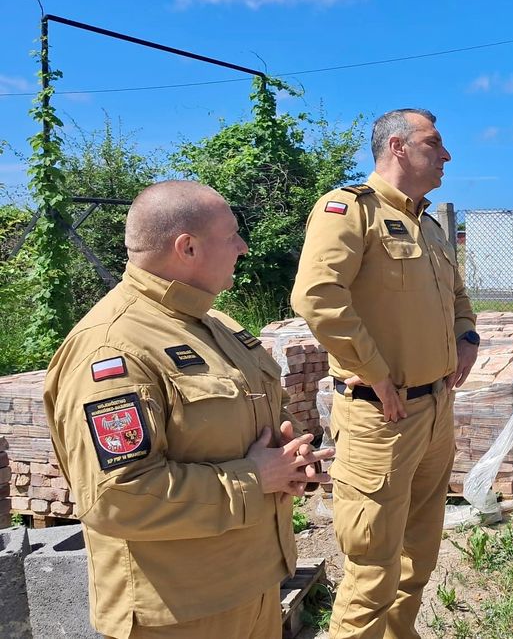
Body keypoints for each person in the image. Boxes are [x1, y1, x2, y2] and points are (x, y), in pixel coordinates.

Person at [43, 180, 333, 639]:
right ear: (188, 248)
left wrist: (290, 460)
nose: (243, 247)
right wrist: (257, 477)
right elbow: (117, 497)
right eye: (232, 235)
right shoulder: (113, 348)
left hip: (251, 586)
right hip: (180, 613)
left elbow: (248, 424)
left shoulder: (216, 326)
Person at [291, 108, 477, 639]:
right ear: (397, 146)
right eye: (434, 144)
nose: (446, 155)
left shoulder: (430, 224)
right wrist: (374, 373)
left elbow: (460, 298)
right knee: (372, 569)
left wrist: (468, 337)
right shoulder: (350, 211)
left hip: (436, 410)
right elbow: (317, 296)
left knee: (418, 557)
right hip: (382, 416)